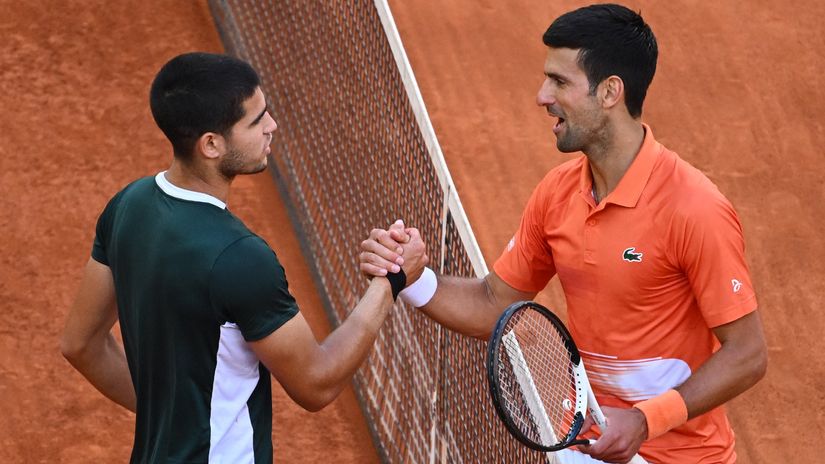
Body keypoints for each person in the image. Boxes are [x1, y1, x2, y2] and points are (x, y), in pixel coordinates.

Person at [359, 4, 767, 463]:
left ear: (610, 91)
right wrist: (412, 279)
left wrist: (647, 419)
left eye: (559, 81)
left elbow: (748, 354)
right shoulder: (557, 193)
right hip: (590, 445)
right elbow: (495, 303)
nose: (541, 96)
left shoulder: (694, 208)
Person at [60, 52, 427, 463]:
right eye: (256, 121)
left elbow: (81, 344)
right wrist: (391, 281)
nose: (272, 126)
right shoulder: (240, 258)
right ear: (212, 144)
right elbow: (316, 383)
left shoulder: (127, 206)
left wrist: (174, 419)